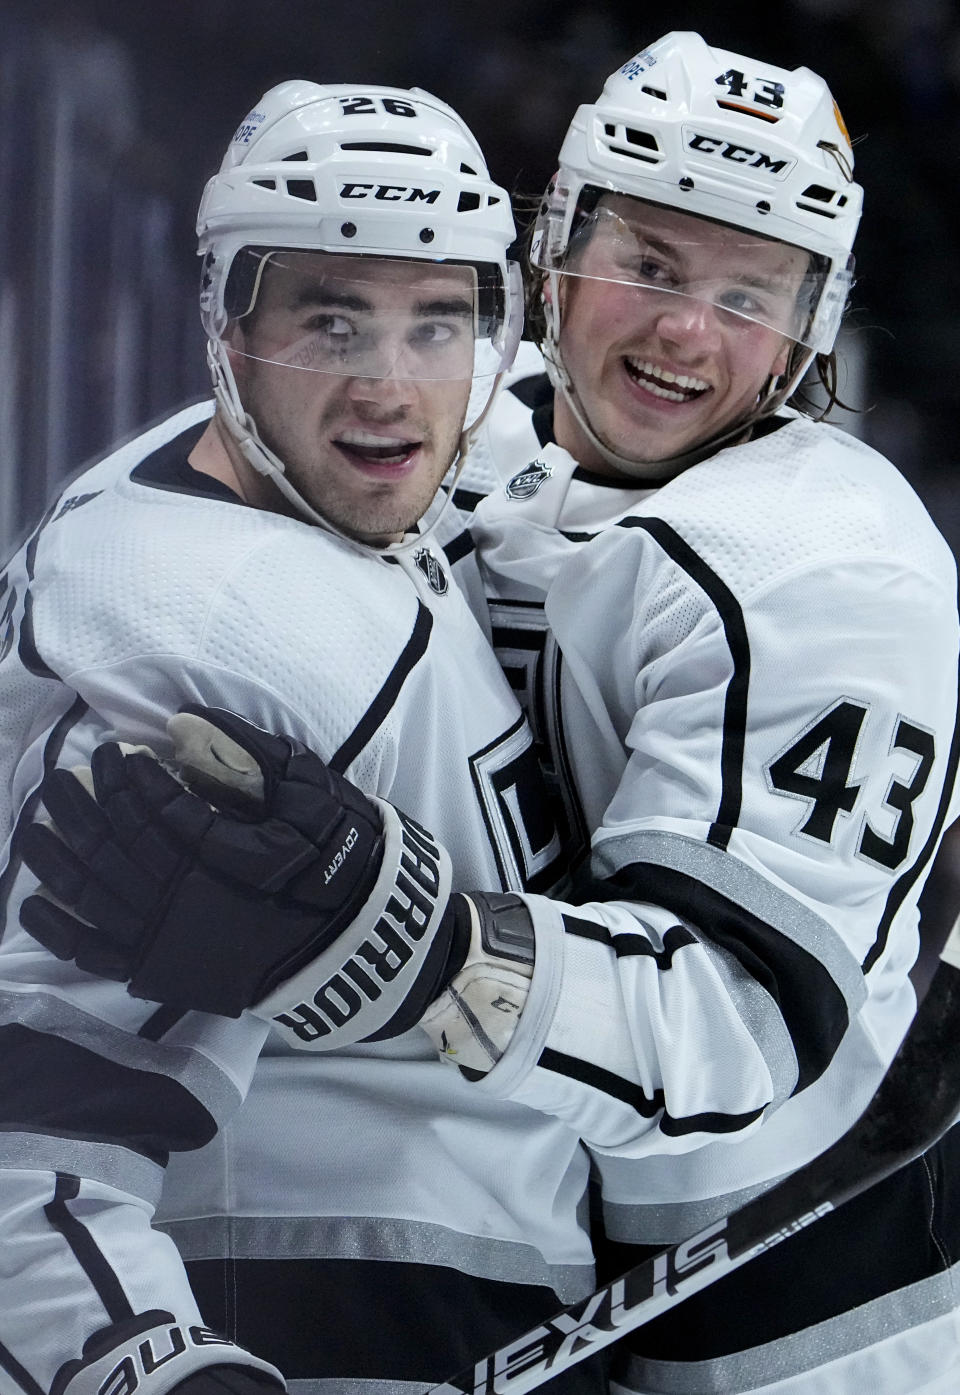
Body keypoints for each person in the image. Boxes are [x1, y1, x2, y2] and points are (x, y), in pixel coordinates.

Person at [14, 32, 960, 1395]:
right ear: (555, 244)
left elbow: (740, 1026)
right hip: (553, 1278)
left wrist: (426, 943)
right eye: (650, 265)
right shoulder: (467, 417)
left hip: (783, 1337)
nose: (687, 331)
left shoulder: (829, 568)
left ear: (814, 325)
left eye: (749, 293)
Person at [0, 81, 607, 1395]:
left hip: (504, 1277)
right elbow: (36, 1135)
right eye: (331, 321)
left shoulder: (329, 477)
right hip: (332, 1310)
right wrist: (142, 1364)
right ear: (228, 327)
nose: (390, 387)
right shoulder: (209, 642)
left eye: (436, 323)